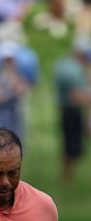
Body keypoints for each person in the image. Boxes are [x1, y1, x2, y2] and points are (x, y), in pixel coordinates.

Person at [54, 36, 91, 183]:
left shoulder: (66, 66)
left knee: (73, 148)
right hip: (71, 112)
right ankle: (67, 180)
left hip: (71, 112)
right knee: (72, 148)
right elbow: (76, 96)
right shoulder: (72, 70)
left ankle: (67, 180)